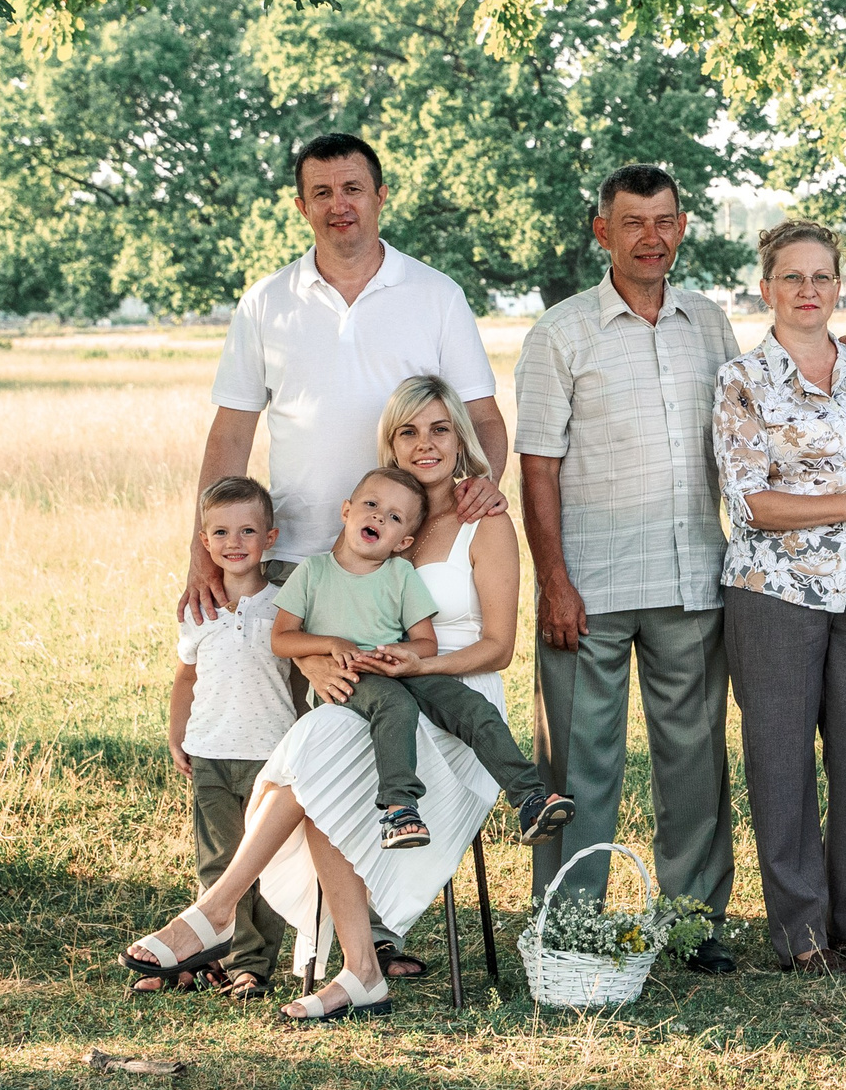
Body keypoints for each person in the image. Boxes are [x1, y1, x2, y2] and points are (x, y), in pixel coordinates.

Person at [121, 376, 539, 1022]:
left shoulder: (483, 519)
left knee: (318, 755)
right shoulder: (385, 515)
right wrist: (320, 662)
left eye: (439, 429)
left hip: (458, 700)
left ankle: (219, 913)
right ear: (391, 444)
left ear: (460, 438)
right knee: (319, 746)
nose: (424, 444)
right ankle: (353, 967)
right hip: (381, 693)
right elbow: (338, 616)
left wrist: (415, 663)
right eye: (408, 431)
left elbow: (500, 647)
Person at [516, 164, 740, 971]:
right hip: (590, 589)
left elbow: (763, 415)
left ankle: (691, 924)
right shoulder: (561, 333)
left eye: (666, 221)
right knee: (581, 764)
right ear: (601, 232)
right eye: (634, 223)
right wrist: (554, 584)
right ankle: (572, 926)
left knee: (695, 761)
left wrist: (844, 351)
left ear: (682, 228)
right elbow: (536, 468)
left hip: (692, 581)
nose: (653, 238)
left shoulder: (711, 325)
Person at [187, 132, 505, 616]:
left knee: (391, 690)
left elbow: (483, 419)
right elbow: (230, 434)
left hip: (402, 554)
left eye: (352, 189)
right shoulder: (265, 302)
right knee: (287, 693)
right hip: (291, 555)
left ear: (380, 196)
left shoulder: (437, 295)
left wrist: (486, 481)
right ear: (301, 207)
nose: (339, 205)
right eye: (322, 193)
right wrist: (200, 548)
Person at [712, 220, 846, 973]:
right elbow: (752, 504)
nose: (807, 290)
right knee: (782, 763)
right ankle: (800, 933)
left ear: (837, 285)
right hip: (774, 592)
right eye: (791, 277)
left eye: (821, 276)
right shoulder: (742, 379)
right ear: (766, 290)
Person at [273, 467, 571, 850]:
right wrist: (331, 644)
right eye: (371, 504)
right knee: (395, 705)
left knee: (472, 707)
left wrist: (403, 655)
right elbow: (281, 639)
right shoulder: (313, 572)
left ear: (404, 541)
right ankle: (399, 810)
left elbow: (425, 643)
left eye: (394, 517)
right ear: (346, 511)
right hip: (349, 678)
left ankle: (530, 797)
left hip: (396, 668)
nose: (379, 516)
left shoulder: (400, 574)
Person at [150, 477, 298, 1001]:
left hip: (270, 753)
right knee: (216, 861)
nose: (234, 542)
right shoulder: (198, 608)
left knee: (262, 867)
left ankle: (253, 965)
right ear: (205, 541)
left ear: (270, 537)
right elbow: (186, 676)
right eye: (220, 532)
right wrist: (178, 732)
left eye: (247, 530)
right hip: (211, 751)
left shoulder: (286, 602)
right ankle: (209, 955)